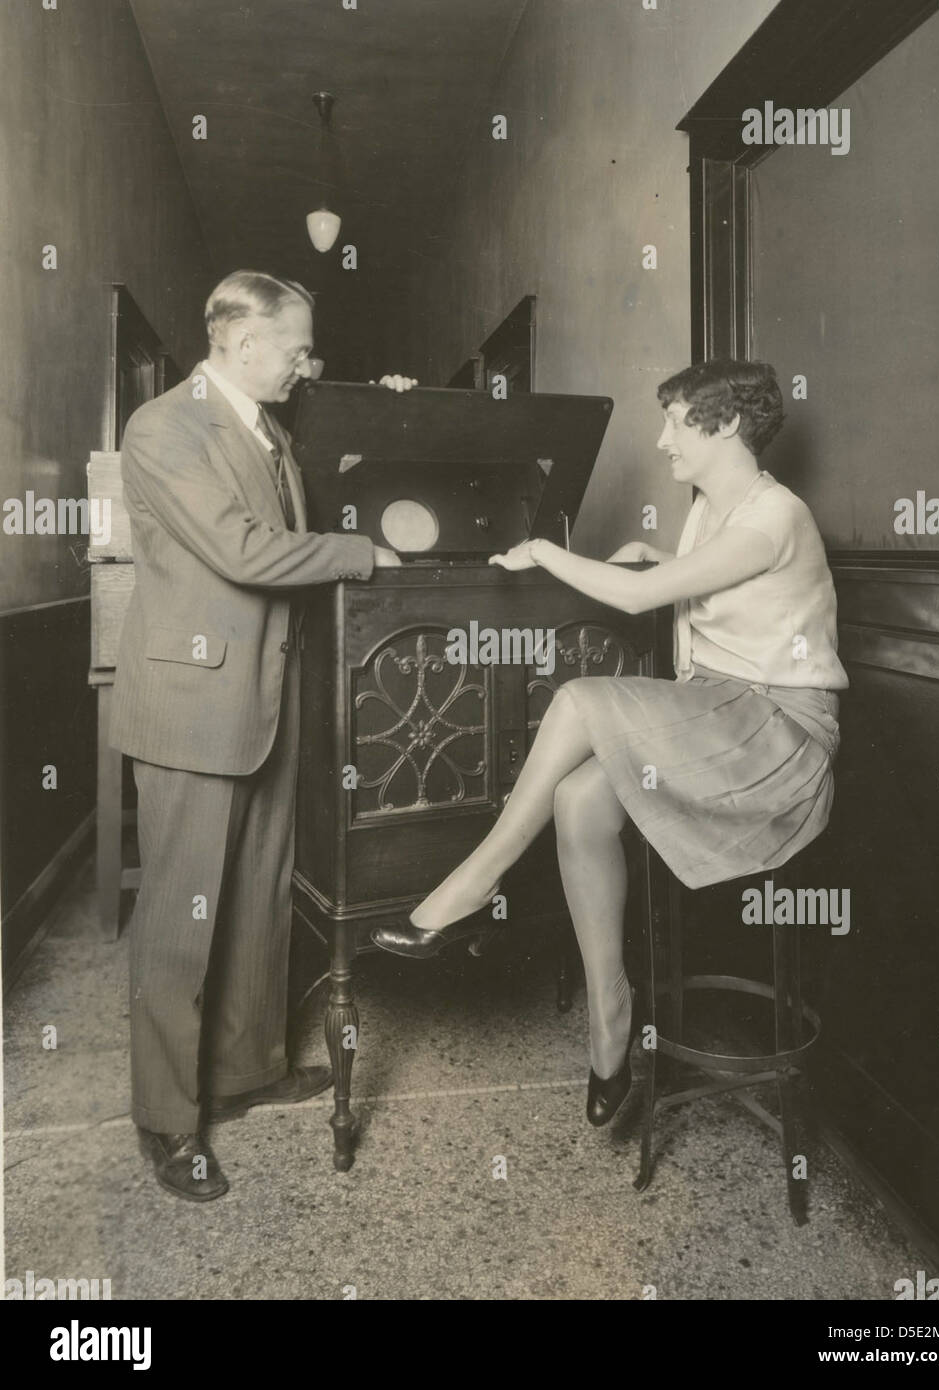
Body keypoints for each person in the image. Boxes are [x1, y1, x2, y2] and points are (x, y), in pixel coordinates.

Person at [372, 358, 847, 1129]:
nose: (661, 441)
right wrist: (657, 560)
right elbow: (707, 584)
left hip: (777, 739)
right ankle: (610, 1018)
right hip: (721, 713)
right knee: (577, 796)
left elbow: (639, 599)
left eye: (675, 421)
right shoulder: (712, 509)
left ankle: (471, 885)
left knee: (578, 699)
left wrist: (545, 552)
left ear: (725, 424)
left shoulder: (775, 514)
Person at [109, 269, 415, 1201]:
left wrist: (395, 412)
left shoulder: (269, 426)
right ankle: (167, 1119)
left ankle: (246, 1071)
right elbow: (243, 550)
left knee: (254, 899)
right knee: (178, 920)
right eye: (296, 348)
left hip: (265, 696)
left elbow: (316, 484)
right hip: (193, 703)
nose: (305, 362)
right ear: (244, 346)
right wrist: (365, 552)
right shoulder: (164, 427)